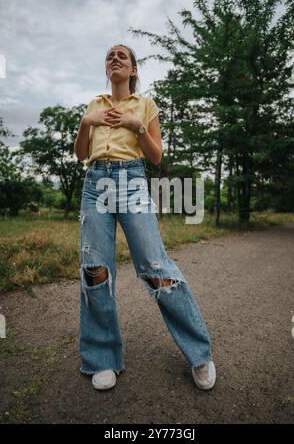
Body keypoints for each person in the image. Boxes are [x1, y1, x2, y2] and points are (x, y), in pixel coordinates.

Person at [74, 44, 216, 391]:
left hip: (132, 182)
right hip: (95, 184)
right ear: (107, 69)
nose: (115, 59)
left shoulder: (146, 105)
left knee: (156, 267)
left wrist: (137, 126)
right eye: (110, 55)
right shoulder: (94, 105)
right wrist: (84, 122)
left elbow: (155, 156)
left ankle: (200, 353)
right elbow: (81, 154)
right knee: (95, 270)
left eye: (123, 55)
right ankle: (102, 358)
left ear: (133, 70)